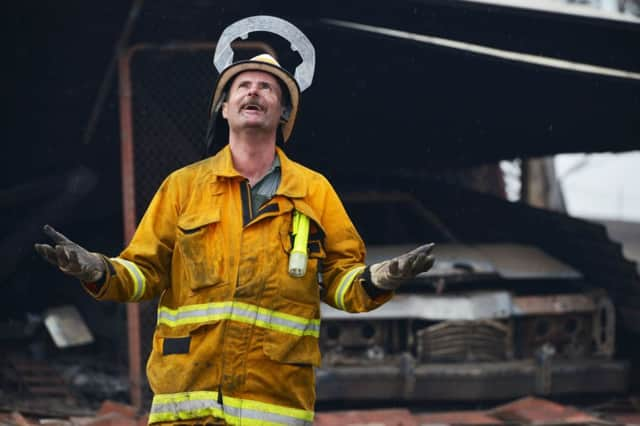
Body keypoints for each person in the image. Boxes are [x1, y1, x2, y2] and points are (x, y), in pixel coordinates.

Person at [35, 51, 434, 425]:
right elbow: (143, 271)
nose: (254, 92)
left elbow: (341, 281)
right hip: (188, 399)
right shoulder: (184, 187)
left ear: (283, 113)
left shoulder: (314, 192)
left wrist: (378, 279)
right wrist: (98, 270)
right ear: (223, 109)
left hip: (274, 403)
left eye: (267, 88)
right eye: (242, 86)